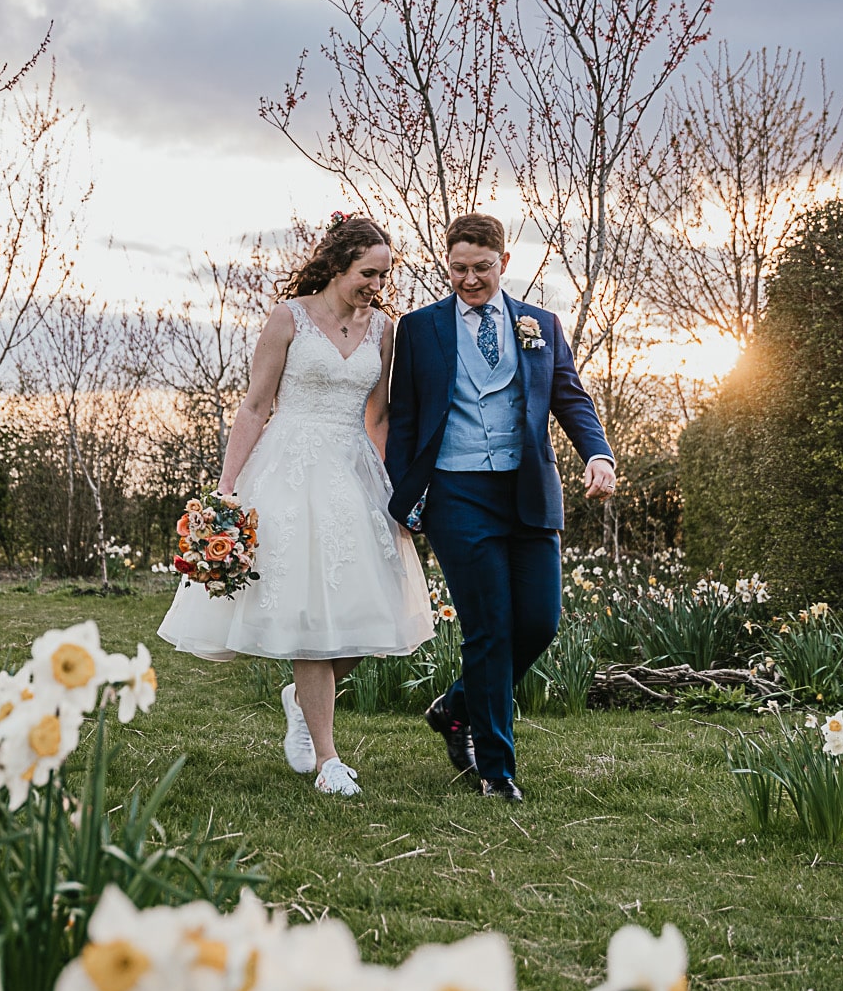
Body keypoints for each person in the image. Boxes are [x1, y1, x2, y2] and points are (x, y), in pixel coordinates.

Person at [159, 215, 434, 797]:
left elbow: (379, 416)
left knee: (372, 615)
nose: (375, 285)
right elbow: (256, 407)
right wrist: (227, 489)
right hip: (290, 471)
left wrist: (397, 489)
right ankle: (328, 760)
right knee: (313, 613)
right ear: (338, 265)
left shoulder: (384, 330)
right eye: (367, 273)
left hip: (355, 473)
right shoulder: (290, 317)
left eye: (383, 275)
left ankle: (300, 699)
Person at [384, 212, 615, 803]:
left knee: (539, 622)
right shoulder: (419, 328)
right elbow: (405, 418)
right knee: (487, 629)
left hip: (528, 491)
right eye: (457, 268)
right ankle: (496, 769)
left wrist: (599, 455)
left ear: (504, 263)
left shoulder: (541, 324)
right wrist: (402, 497)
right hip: (456, 494)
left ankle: (456, 705)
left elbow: (569, 396)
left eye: (480, 268)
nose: (468, 279)